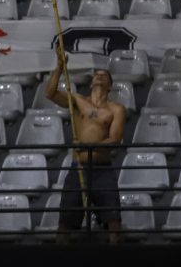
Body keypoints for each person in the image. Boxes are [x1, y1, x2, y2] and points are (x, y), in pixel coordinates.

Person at [45, 50, 126, 243]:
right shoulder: (78, 101)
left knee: (114, 224)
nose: (99, 76)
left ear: (110, 86)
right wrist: (59, 68)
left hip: (102, 170)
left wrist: (86, 146)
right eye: (96, 74)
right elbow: (50, 94)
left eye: (104, 75)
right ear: (91, 83)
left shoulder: (116, 109)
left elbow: (115, 140)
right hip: (79, 168)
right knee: (64, 225)